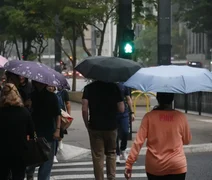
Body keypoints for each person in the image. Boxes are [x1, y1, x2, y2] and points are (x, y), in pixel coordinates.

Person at [124, 92, 192, 180]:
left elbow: (138, 142)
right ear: (172, 99)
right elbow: (187, 141)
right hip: (177, 165)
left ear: (158, 99)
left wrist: (129, 164)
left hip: (155, 166)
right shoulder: (180, 117)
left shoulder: (149, 117)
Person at [82, 80, 125, 180]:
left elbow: (84, 109)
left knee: (98, 155)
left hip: (95, 126)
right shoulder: (114, 87)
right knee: (111, 153)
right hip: (111, 126)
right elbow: (121, 108)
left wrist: (86, 124)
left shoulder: (89, 88)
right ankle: (111, 177)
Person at [26, 81, 61, 180]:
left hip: (48, 132)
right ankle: (30, 174)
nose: (39, 84)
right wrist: (27, 105)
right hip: (34, 133)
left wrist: (58, 130)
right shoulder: (31, 96)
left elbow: (57, 114)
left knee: (46, 164)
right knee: (32, 161)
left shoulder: (52, 97)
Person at [0, 83, 34, 180]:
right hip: (20, 151)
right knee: (18, 176)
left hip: (2, 152)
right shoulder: (24, 112)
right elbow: (31, 132)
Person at [116, 82, 135, 164]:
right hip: (113, 113)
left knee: (125, 131)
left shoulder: (124, 85)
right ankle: (117, 153)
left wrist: (132, 112)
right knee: (115, 134)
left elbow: (128, 98)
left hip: (124, 113)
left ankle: (123, 149)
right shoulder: (110, 84)